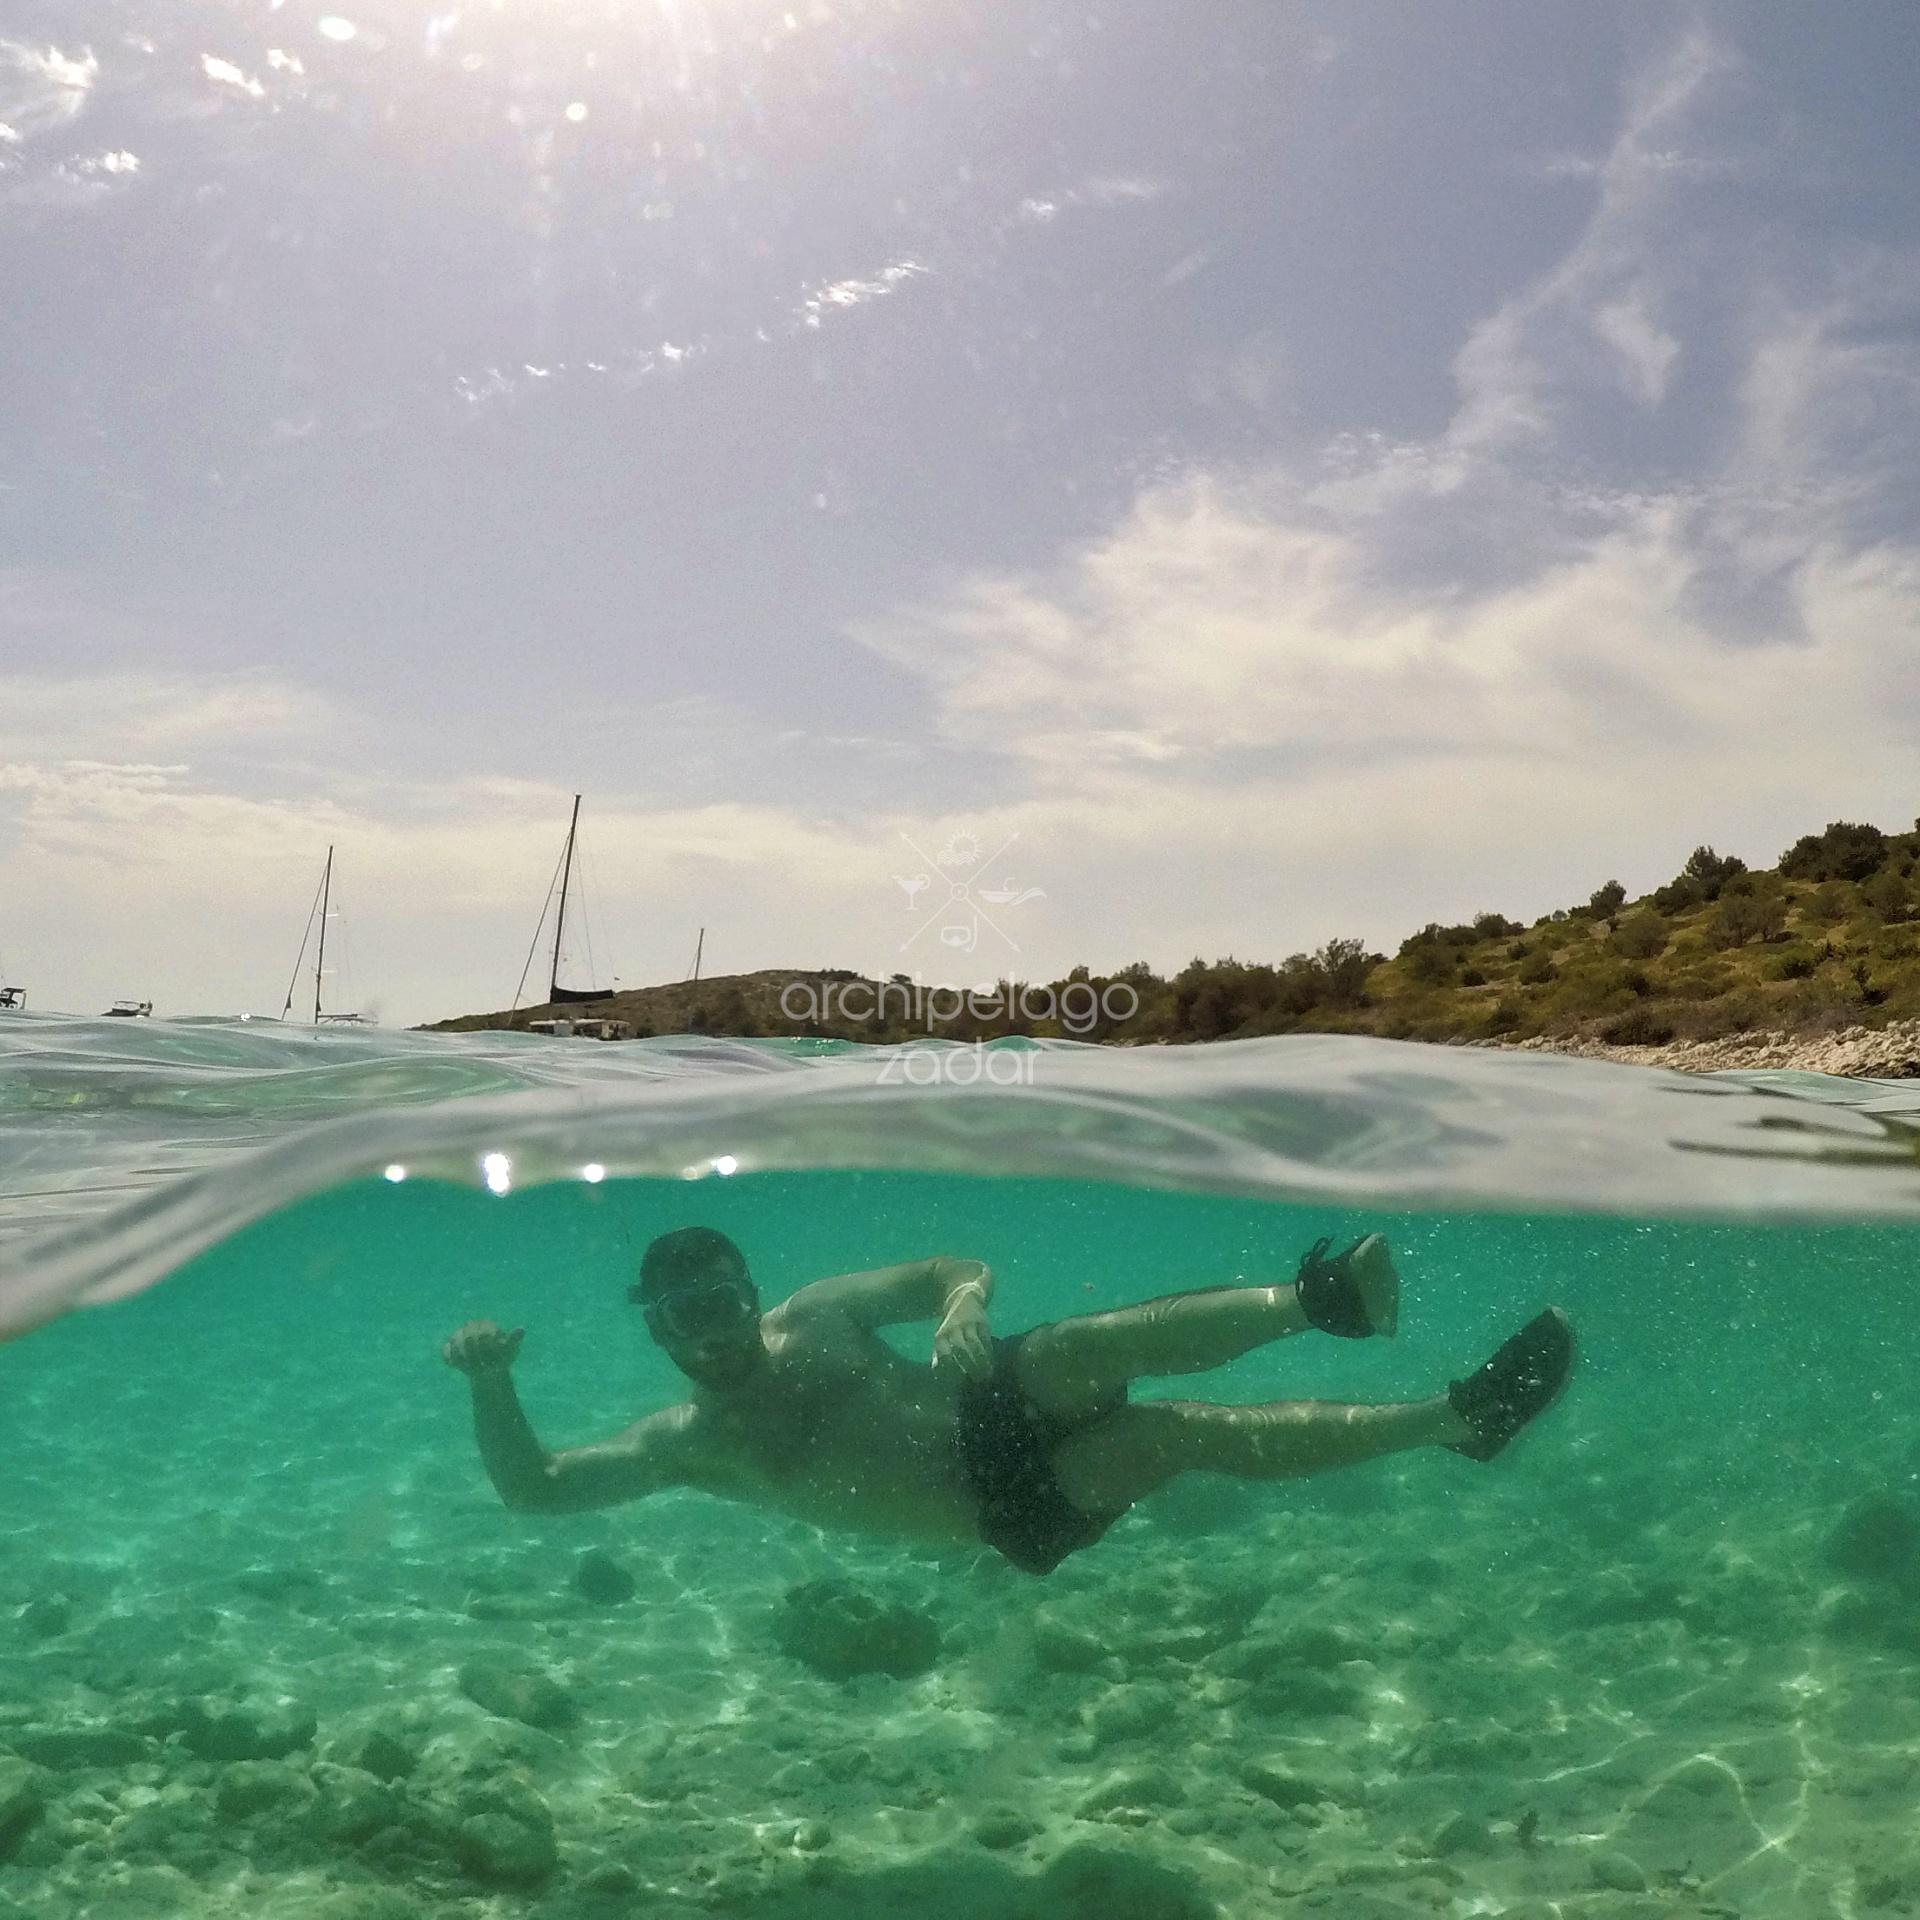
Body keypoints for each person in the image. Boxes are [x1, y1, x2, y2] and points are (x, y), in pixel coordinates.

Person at [442, 1226, 1574, 1576]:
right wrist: (496, 1385)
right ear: (653, 1325)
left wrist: (959, 1308)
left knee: (1076, 1343)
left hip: (983, 1406)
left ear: (749, 1292)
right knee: (1173, 1435)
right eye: (683, 1315)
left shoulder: (822, 1315)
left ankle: (1321, 1297)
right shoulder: (690, 1443)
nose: (713, 1327)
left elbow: (948, 1270)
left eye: (724, 1298)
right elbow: (539, 1493)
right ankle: (1456, 1421)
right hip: (1003, 1512)